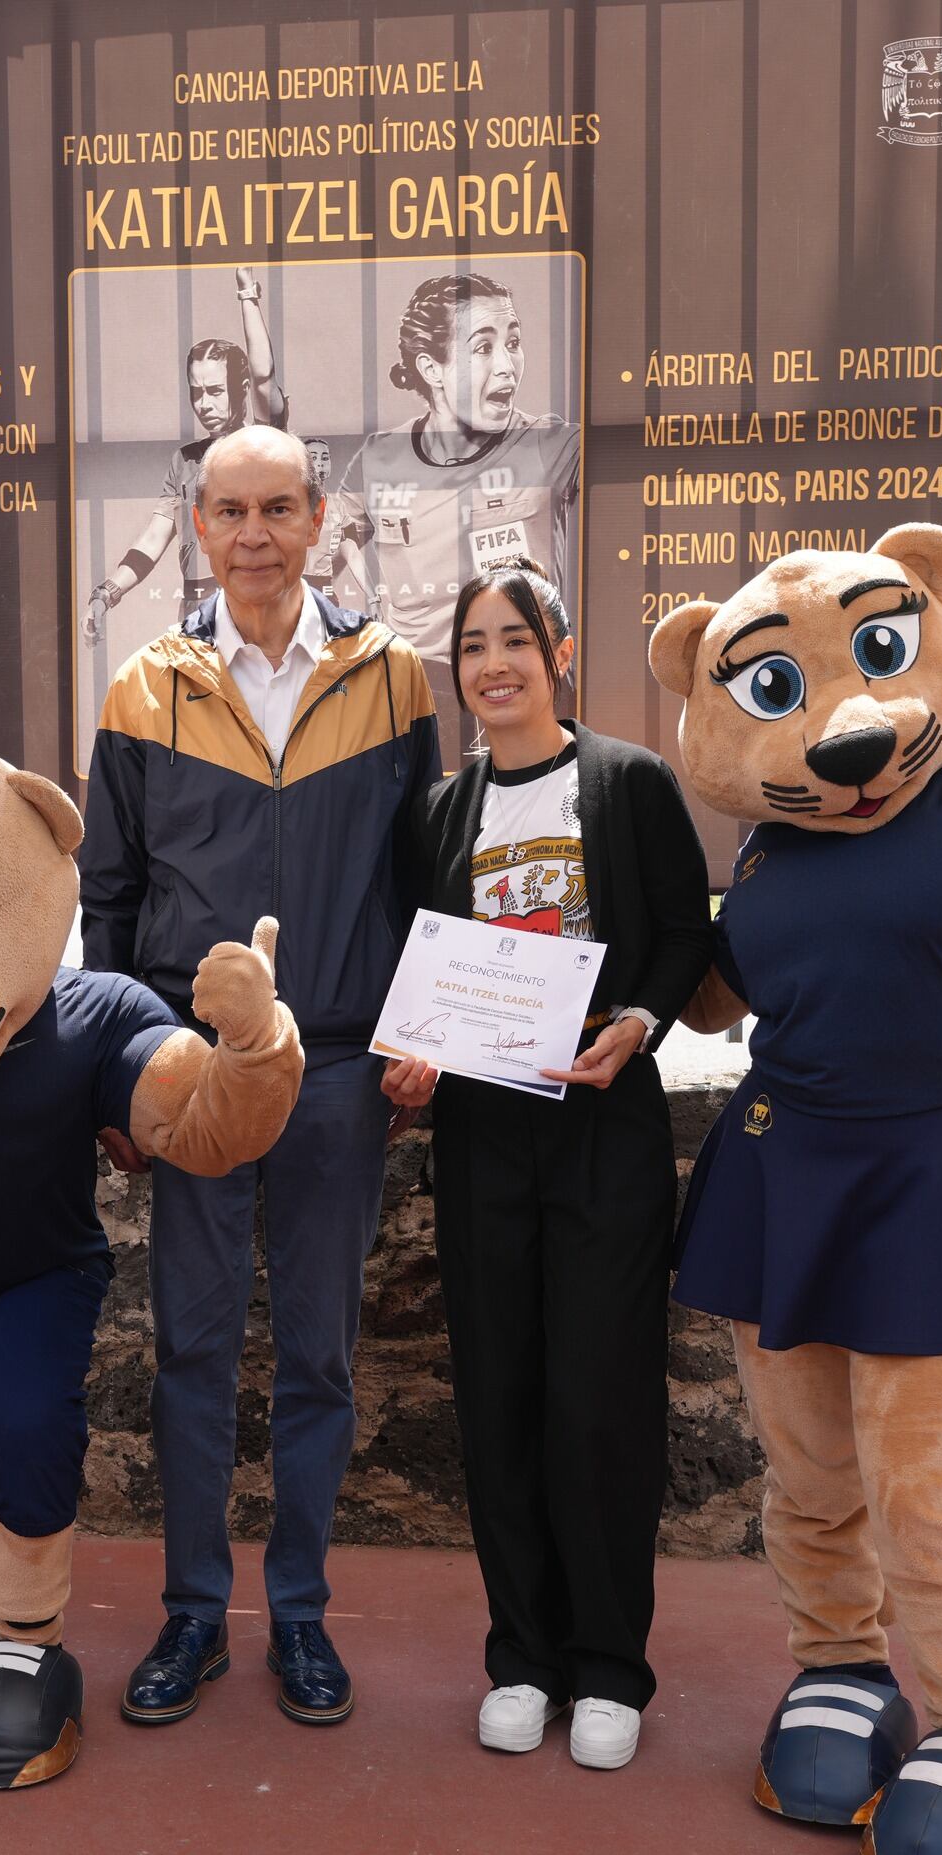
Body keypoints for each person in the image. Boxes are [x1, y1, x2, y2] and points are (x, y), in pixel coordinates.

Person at [81, 424, 440, 1727]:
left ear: (318, 516)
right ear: (197, 525)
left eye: (277, 505)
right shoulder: (143, 686)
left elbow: (423, 884)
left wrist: (424, 1039)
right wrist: (117, 1073)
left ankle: (298, 1615)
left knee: (318, 1359)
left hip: (343, 1071)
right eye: (229, 508)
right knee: (189, 1350)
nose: (253, 531)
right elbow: (107, 903)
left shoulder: (395, 679)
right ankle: (190, 1618)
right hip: (190, 1076)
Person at [380, 559, 712, 1768]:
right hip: (481, 1133)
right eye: (473, 645)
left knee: (601, 1395)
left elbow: (685, 931)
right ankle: (521, 1652)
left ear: (559, 652)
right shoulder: (439, 811)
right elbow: (426, 971)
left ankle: (611, 1663)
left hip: (602, 1126)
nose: (495, 663)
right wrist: (412, 1060)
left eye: (516, 638)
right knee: (500, 1390)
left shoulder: (625, 784)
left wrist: (636, 1021)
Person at [333, 273, 583, 758]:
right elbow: (329, 544)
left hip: (528, 675)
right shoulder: (379, 457)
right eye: (483, 348)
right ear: (432, 367)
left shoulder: (552, 446)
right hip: (418, 689)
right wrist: (373, 599)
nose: (508, 366)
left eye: (513, 343)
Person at [82, 265, 290, 642]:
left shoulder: (265, 440)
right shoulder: (185, 461)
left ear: (240, 389)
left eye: (215, 390)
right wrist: (107, 593)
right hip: (200, 616)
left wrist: (247, 296)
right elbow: (154, 538)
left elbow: (263, 374)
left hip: (259, 612)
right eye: (196, 392)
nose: (204, 404)